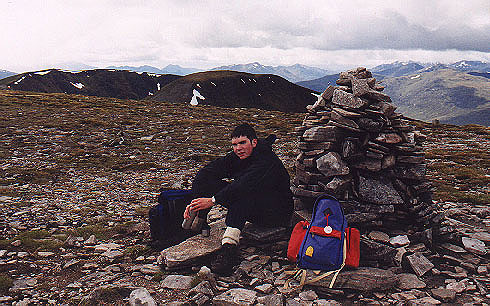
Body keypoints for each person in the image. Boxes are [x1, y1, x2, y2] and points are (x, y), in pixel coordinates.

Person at [183, 123, 293, 275]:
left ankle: (229, 249)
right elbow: (207, 172)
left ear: (254, 142)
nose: (238, 148)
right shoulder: (238, 156)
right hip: (256, 203)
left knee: (241, 194)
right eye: (234, 144)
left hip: (276, 212)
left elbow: (243, 185)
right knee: (210, 181)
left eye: (242, 143)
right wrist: (195, 201)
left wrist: (212, 200)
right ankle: (199, 222)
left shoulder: (266, 160)